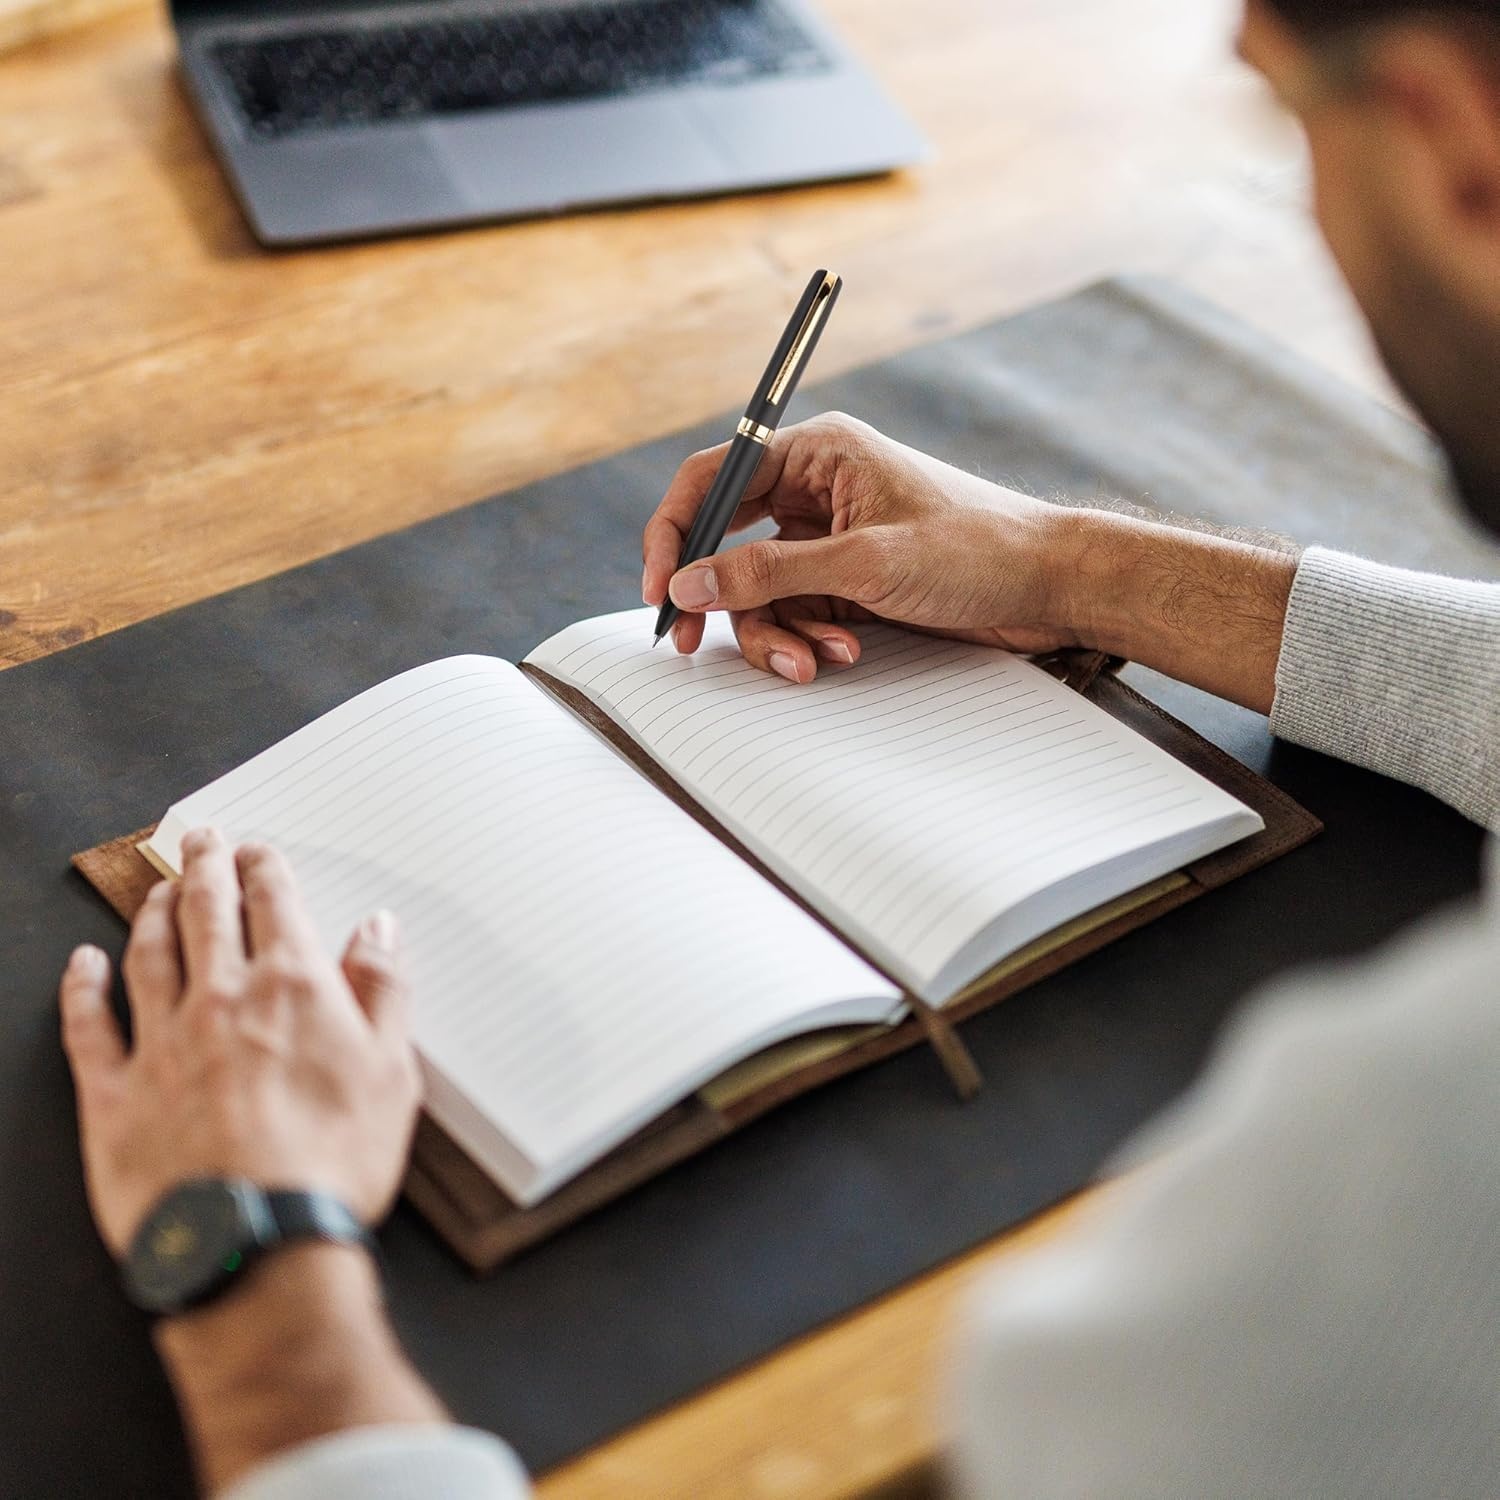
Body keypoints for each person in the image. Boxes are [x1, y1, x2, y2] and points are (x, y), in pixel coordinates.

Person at [57, 0, 1500, 1494]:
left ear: (1456, 148)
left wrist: (259, 1288)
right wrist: (1066, 567)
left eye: (1283, 121)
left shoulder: (1379, 1214)